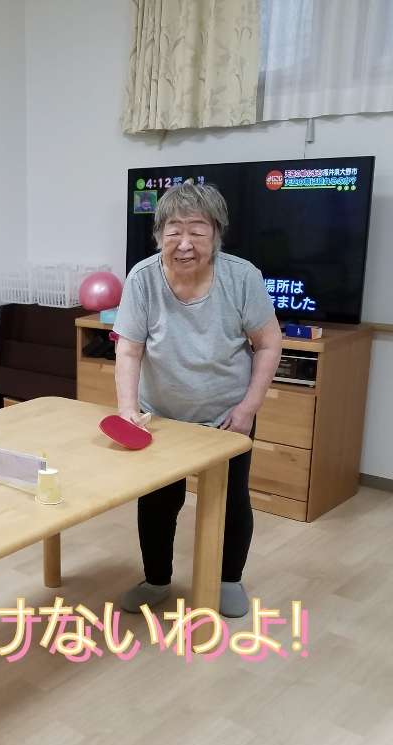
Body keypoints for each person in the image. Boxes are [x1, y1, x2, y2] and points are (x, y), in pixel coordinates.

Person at [112, 181, 283, 619]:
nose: (184, 243)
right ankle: (156, 580)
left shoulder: (241, 277)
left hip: (226, 415)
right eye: (174, 230)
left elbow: (268, 344)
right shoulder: (143, 278)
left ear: (216, 234)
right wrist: (128, 410)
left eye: (197, 230)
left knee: (230, 500)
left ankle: (228, 580)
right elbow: (128, 349)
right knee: (157, 501)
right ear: (159, 235)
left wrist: (248, 408)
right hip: (162, 416)